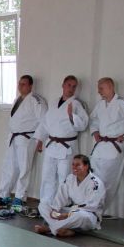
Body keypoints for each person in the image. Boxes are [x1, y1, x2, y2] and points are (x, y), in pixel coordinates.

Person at [89, 77, 124, 211]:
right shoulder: (100, 104)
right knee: (93, 179)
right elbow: (93, 120)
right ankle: (91, 208)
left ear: (111, 87)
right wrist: (95, 132)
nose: (99, 91)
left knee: (107, 181)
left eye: (101, 88)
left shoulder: (122, 102)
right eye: (98, 88)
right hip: (100, 146)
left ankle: (99, 210)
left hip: (114, 147)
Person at [34, 75, 89, 204]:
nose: (71, 89)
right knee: (47, 176)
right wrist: (40, 139)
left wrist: (71, 116)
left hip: (67, 146)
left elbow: (83, 125)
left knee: (65, 177)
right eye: (69, 85)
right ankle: (45, 204)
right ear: (63, 85)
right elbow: (45, 122)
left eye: (74, 87)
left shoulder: (77, 104)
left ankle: (63, 205)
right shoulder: (54, 102)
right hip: (51, 145)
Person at [0, 75, 47, 206]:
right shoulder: (17, 99)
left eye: (24, 84)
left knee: (24, 168)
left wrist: (40, 139)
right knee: (9, 166)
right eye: (19, 83)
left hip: (27, 138)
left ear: (30, 86)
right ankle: (3, 194)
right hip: (14, 137)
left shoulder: (36, 100)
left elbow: (44, 121)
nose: (20, 86)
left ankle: (20, 196)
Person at [34, 155, 105, 237]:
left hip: (88, 215)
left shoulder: (95, 183)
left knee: (80, 216)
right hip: (71, 211)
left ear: (86, 166)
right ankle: (63, 229)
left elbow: (90, 206)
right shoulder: (70, 178)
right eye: (73, 164)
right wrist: (55, 210)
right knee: (43, 205)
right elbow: (61, 195)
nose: (74, 167)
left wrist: (69, 214)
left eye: (78, 165)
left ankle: (50, 228)